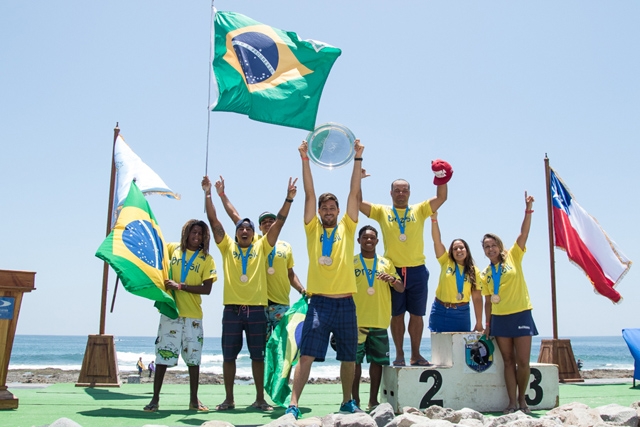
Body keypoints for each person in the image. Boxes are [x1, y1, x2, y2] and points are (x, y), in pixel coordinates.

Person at [285, 140, 365, 420]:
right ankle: (293, 404)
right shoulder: (312, 228)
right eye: (325, 208)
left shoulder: (348, 225)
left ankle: (347, 401)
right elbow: (309, 193)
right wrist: (305, 159)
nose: (329, 212)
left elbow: (354, 192)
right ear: (319, 212)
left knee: (348, 357)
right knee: (306, 354)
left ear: (338, 211)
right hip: (318, 303)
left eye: (333, 208)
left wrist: (357, 158)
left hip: (346, 303)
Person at [203, 175, 297, 412]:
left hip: (257, 310)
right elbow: (214, 220)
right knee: (228, 357)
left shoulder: (262, 246)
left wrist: (288, 199)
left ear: (254, 234)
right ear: (235, 234)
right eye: (240, 228)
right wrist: (208, 193)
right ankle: (229, 399)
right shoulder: (227, 247)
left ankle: (259, 399)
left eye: (248, 228)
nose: (244, 230)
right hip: (232, 310)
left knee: (258, 356)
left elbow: (280, 222)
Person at [359, 160, 452, 367]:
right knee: (397, 314)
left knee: (417, 315)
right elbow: (358, 203)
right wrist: (358, 178)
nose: (401, 193)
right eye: (397, 190)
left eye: (405, 190)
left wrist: (440, 176)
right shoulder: (382, 211)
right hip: (393, 272)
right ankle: (400, 354)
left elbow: (442, 197)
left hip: (417, 270)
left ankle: (416, 355)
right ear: (390, 193)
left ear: (409, 193)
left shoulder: (419, 210)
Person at [212, 176, 306, 338]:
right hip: (259, 306)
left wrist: (301, 289)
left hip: (281, 304)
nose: (268, 224)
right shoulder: (254, 241)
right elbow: (234, 216)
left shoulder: (286, 246)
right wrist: (222, 195)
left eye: (271, 221)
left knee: (282, 348)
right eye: (264, 222)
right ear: (259, 227)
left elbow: (290, 274)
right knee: (262, 350)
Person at [143, 219, 217, 413]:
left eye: (200, 234)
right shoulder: (173, 249)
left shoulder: (206, 259)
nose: (196, 237)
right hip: (171, 313)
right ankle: (155, 399)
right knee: (162, 357)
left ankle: (194, 399)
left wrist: (180, 286)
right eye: (193, 232)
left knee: (194, 360)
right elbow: (155, 251)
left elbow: (207, 289)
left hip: (193, 316)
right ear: (186, 233)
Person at [481, 192, 537, 415]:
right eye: (486, 247)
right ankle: (511, 403)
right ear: (483, 251)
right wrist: (487, 324)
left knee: (523, 361)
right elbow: (487, 302)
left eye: (493, 245)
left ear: (499, 246)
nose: (491, 249)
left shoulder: (514, 255)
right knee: (507, 360)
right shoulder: (485, 273)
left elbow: (524, 233)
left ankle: (523, 401)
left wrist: (528, 210)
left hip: (521, 313)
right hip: (500, 318)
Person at [351, 225, 404, 411]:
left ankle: (373, 401)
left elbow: (401, 288)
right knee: (353, 363)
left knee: (378, 362)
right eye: (365, 237)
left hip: (380, 320)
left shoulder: (386, 262)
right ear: (358, 240)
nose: (368, 240)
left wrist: (392, 279)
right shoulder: (351, 262)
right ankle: (354, 400)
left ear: (377, 241)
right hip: (356, 321)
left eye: (372, 238)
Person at [428, 211, 483, 333]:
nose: (458, 250)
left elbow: (477, 298)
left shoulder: (474, 271)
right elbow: (437, 241)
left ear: (467, 250)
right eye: (455, 248)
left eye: (461, 247)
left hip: (461, 313)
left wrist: (479, 322)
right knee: (439, 348)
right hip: (440, 310)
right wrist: (434, 220)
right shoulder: (445, 261)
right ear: (451, 252)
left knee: (460, 349)